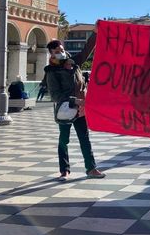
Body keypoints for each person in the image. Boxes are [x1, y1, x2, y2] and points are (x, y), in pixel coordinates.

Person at [45, 35, 105, 180]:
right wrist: (75, 101)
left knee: (84, 138)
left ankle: (91, 168)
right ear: (52, 54)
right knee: (64, 140)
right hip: (66, 110)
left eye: (62, 49)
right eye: (58, 50)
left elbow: (86, 50)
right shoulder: (51, 71)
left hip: (81, 110)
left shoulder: (74, 62)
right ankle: (64, 170)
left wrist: (96, 33)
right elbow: (55, 95)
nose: (62, 52)